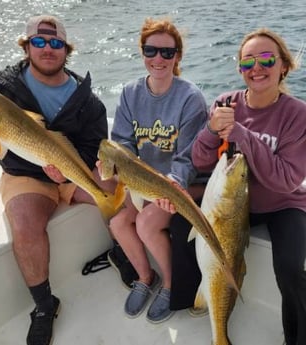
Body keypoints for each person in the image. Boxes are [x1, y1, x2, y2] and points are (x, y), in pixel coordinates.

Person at [0, 15, 116, 345]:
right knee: (24, 223)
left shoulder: (86, 98)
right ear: (27, 46)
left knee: (120, 191)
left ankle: (122, 250)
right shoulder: (1, 86)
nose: (47, 49)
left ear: (66, 49)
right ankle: (44, 305)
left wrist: (66, 172)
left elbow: (92, 148)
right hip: (25, 176)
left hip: (69, 170)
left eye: (55, 43)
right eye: (39, 42)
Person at [159, 28, 306, 345]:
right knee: (180, 221)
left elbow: (286, 179)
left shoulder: (297, 114)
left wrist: (243, 134)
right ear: (240, 68)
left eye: (267, 59)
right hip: (230, 204)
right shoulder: (225, 102)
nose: (257, 68)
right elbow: (199, 159)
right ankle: (194, 301)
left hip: (282, 203)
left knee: (291, 267)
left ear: (283, 66)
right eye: (248, 62)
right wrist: (212, 129)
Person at [105, 17, 208, 324]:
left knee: (148, 222)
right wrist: (114, 169)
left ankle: (173, 285)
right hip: (144, 184)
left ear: (177, 56)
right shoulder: (129, 93)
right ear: (142, 52)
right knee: (119, 223)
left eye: (167, 52)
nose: (159, 59)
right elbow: (122, 143)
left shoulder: (191, 98)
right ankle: (144, 276)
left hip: (186, 184)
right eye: (152, 50)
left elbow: (188, 159)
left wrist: (172, 185)